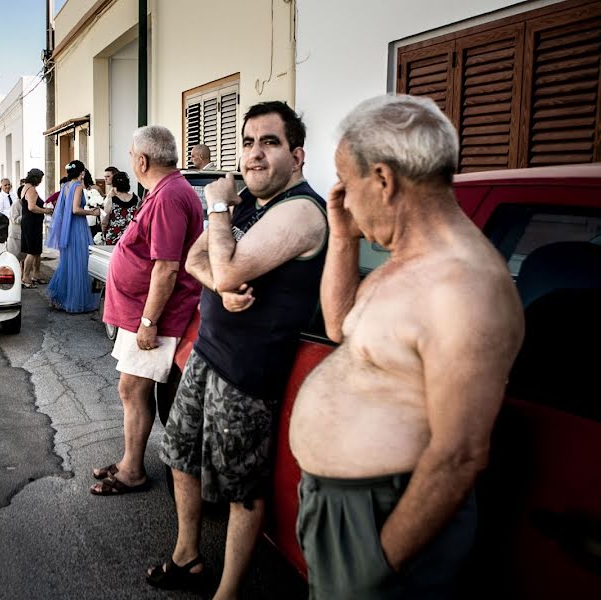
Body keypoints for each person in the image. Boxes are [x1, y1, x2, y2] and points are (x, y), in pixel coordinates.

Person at [289, 94, 525, 600]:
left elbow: (460, 453)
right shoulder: (407, 261)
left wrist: (374, 568)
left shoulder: (462, 287)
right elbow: (338, 324)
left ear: (383, 180)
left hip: (386, 518)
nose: (344, 198)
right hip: (347, 507)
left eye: (347, 184)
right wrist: (344, 235)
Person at [148, 102, 328, 599]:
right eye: (248, 142)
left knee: (241, 491)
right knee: (180, 456)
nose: (254, 154)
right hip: (208, 351)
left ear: (297, 155)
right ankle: (187, 557)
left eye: (268, 143)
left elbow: (221, 263)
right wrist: (224, 285)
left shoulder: (301, 211)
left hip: (248, 374)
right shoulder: (249, 201)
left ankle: (228, 593)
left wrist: (220, 210)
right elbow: (195, 258)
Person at [90, 125, 203, 496]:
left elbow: (167, 266)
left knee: (132, 388)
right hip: (142, 313)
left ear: (141, 160)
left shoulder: (170, 196)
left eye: (130, 155)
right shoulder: (165, 191)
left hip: (155, 317)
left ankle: (133, 472)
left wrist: (149, 322)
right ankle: (129, 462)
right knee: (131, 390)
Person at [46, 160, 102, 313]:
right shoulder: (77, 186)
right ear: (82, 172)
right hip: (77, 227)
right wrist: (93, 212)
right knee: (80, 262)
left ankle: (63, 297)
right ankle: (76, 301)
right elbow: (75, 209)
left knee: (69, 263)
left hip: (68, 228)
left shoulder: (65, 186)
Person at [19, 168, 53, 288]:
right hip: (31, 223)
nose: (41, 181)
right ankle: (26, 277)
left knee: (36, 251)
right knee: (32, 251)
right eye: (40, 179)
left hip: (30, 222)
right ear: (36, 178)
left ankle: (36, 274)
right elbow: (32, 207)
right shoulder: (31, 189)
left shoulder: (25, 187)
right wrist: (46, 211)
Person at [101, 171, 139, 245]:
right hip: (132, 236)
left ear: (115, 185)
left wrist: (103, 232)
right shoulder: (137, 199)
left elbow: (104, 221)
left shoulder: (111, 200)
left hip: (114, 237)